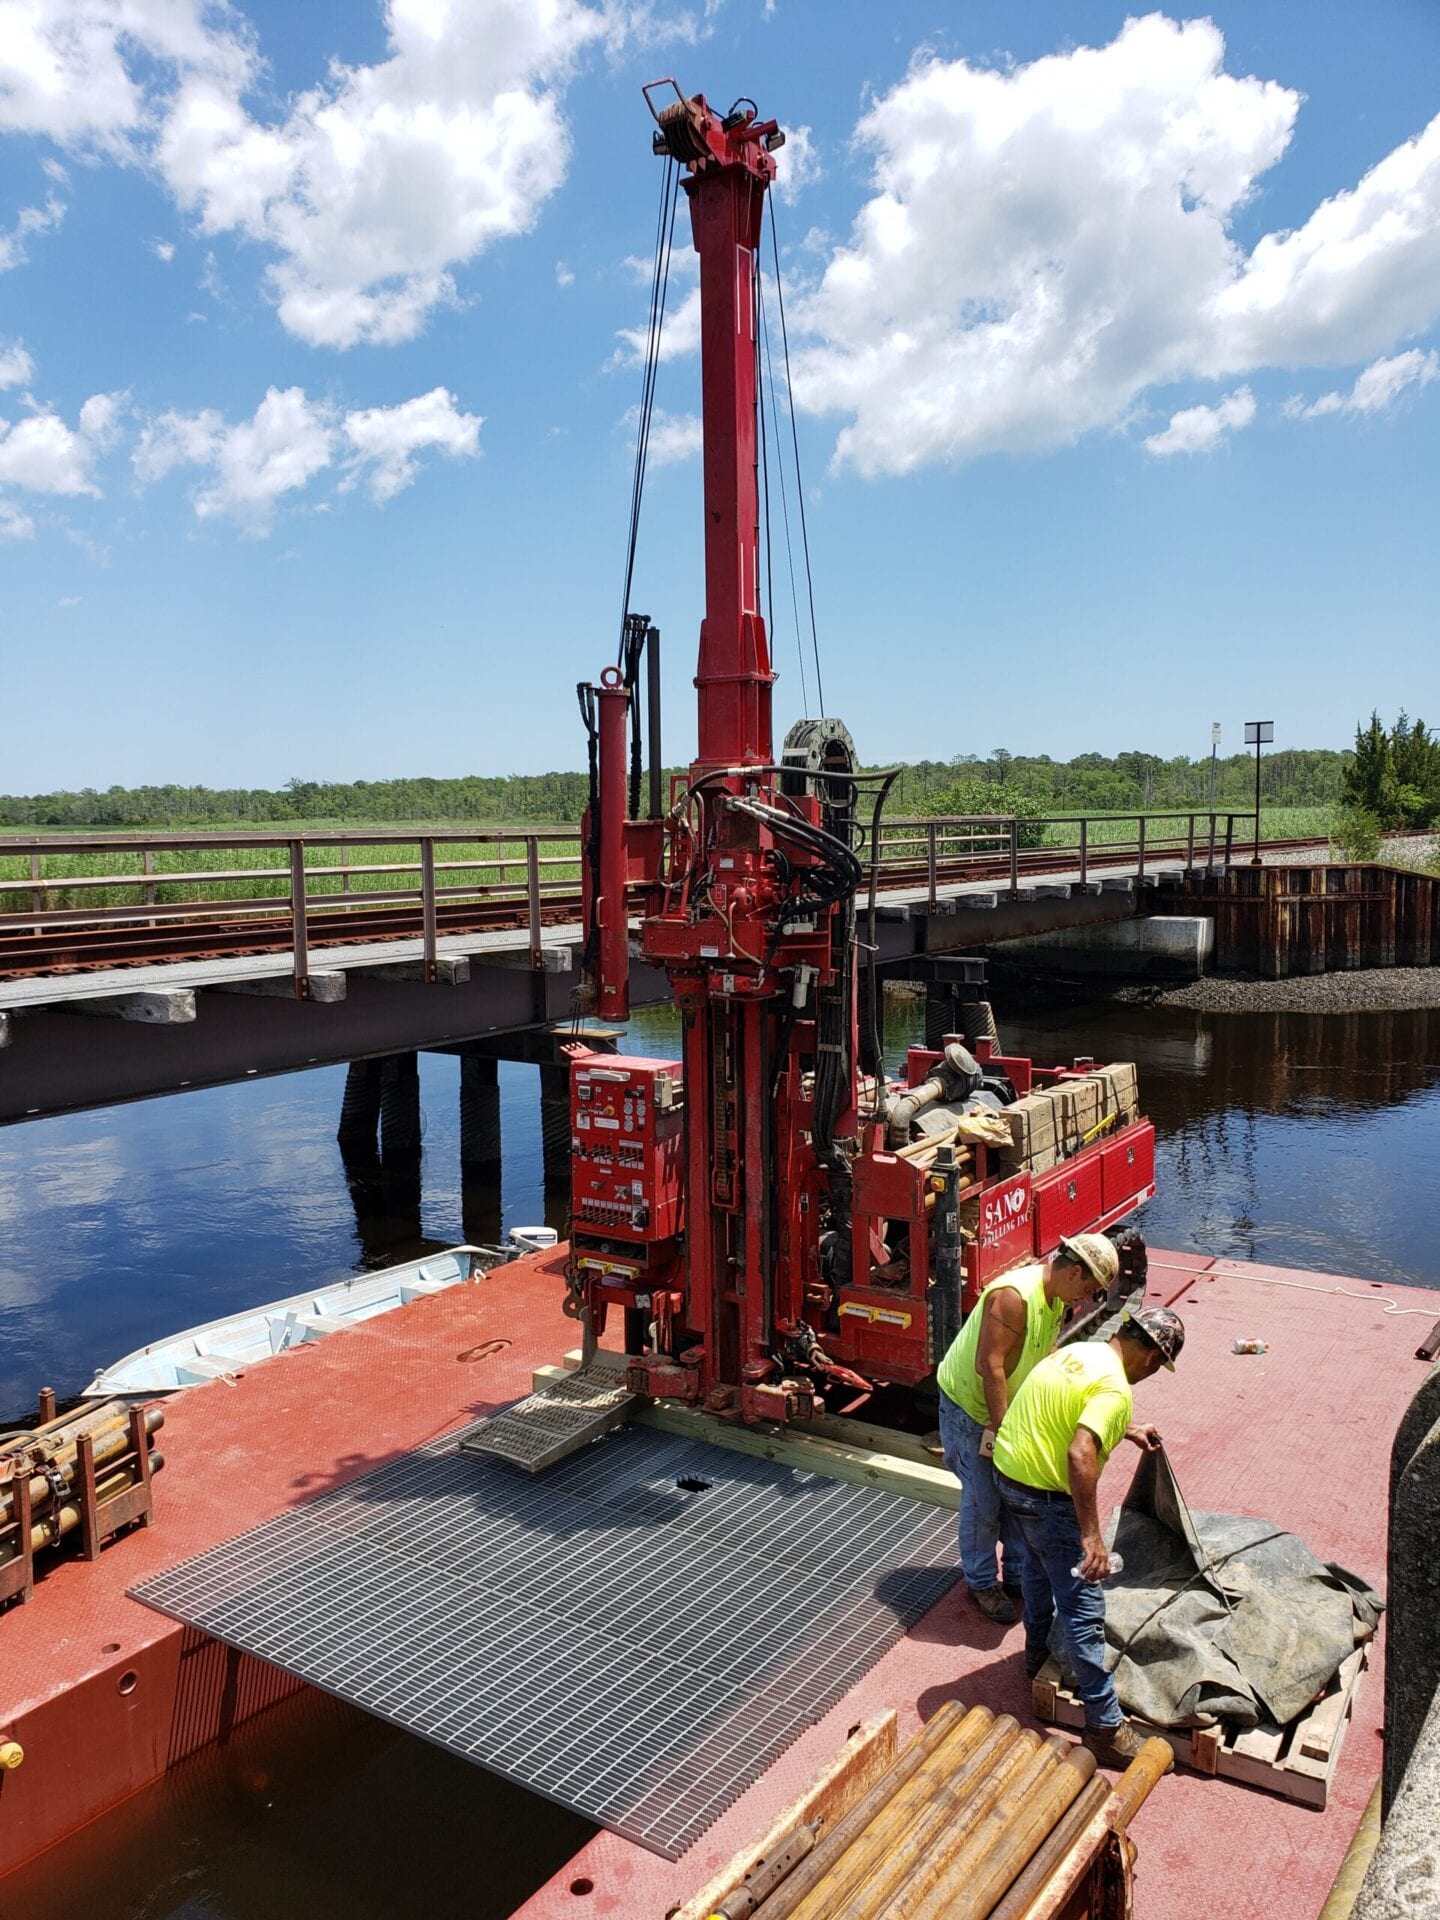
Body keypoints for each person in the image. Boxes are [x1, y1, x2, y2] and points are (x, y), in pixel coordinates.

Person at [993, 1306, 1185, 1765]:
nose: (1152, 1373)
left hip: (1010, 1479)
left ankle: (1035, 1654)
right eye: (1158, 1365)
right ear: (1153, 1357)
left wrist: (1128, 1431)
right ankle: (1104, 1726)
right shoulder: (1116, 1390)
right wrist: (1092, 1538)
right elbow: (1081, 1455)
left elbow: (1066, 1410)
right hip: (1046, 1498)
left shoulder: (1080, 1353)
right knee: (1084, 1606)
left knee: (1038, 1573)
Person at [936, 1234, 1121, 1625]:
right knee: (983, 1501)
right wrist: (1005, 1432)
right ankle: (982, 1580)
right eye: (1088, 1288)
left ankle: (1017, 1575)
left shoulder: (1054, 1299)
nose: (1085, 1299)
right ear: (1074, 1272)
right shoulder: (1014, 1298)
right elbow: (991, 1366)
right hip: (971, 1409)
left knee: (1017, 1494)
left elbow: (1045, 1353)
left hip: (1005, 1404)